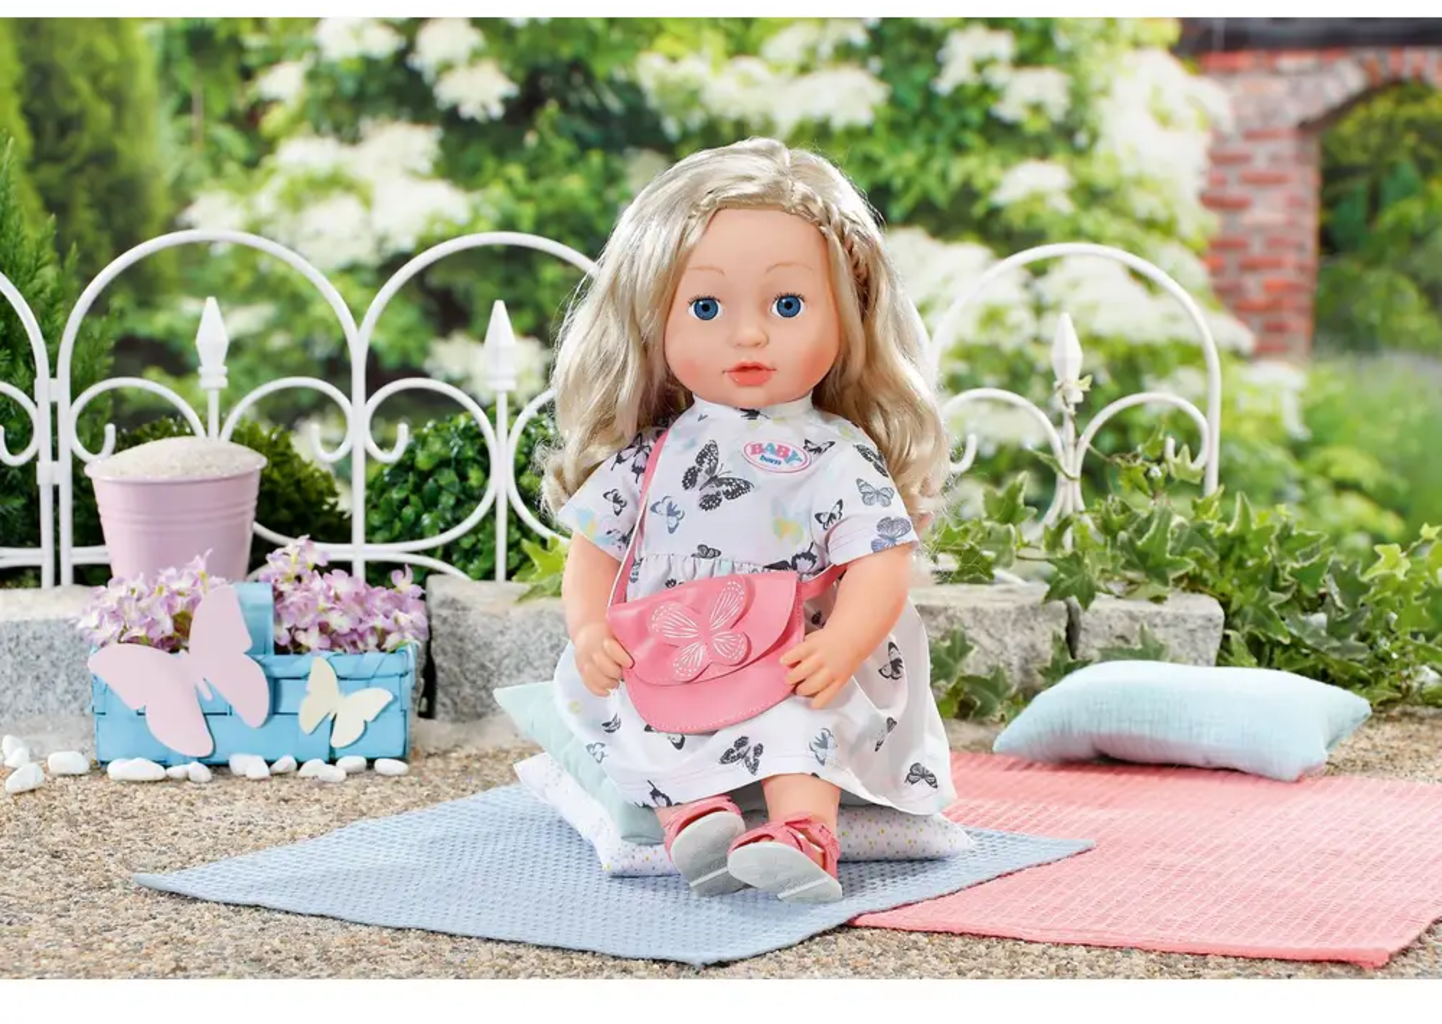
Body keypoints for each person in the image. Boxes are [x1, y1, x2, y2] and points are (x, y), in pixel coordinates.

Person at [540, 137, 956, 904]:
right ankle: (694, 817)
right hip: (670, 643)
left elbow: (880, 561)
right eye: (706, 308)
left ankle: (802, 833)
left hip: (794, 646)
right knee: (638, 710)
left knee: (802, 720)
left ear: (848, 314)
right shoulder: (651, 454)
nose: (749, 335)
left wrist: (844, 641)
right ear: (655, 320)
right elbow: (593, 550)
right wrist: (590, 629)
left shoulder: (839, 454)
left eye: (787, 305)